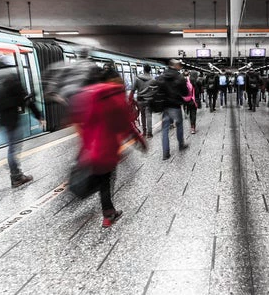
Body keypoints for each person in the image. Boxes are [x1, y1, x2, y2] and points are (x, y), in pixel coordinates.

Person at [71, 68, 147, 227]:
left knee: (101, 180)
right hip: (108, 149)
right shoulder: (117, 96)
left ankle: (107, 211)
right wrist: (140, 141)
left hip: (91, 148)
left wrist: (85, 145)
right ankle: (108, 215)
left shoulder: (88, 93)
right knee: (106, 181)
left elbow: (80, 121)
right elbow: (126, 125)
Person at [0, 57, 45, 188]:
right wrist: (39, 116)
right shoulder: (11, 79)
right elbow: (25, 100)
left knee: (12, 148)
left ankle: (15, 171)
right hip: (14, 119)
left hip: (4, 120)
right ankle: (16, 176)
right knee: (14, 149)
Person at [160, 59, 189, 160]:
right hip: (175, 106)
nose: (180, 67)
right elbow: (185, 93)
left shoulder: (162, 76)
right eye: (179, 65)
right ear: (175, 66)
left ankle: (165, 153)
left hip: (164, 106)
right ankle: (181, 145)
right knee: (179, 125)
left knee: (165, 129)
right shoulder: (179, 77)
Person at [129, 64, 154, 138]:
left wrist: (130, 99)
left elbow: (133, 90)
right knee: (149, 115)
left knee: (142, 115)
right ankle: (150, 133)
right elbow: (155, 90)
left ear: (143, 70)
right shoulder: (152, 80)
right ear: (150, 70)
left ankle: (144, 132)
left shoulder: (137, 79)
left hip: (140, 100)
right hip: (149, 100)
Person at [183, 70, 198, 134]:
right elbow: (198, 92)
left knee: (189, 113)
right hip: (194, 100)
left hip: (187, 100)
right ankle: (193, 128)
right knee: (193, 114)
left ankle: (191, 125)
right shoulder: (196, 82)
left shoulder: (186, 81)